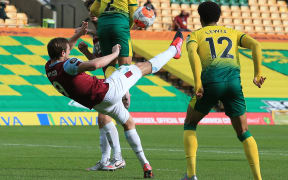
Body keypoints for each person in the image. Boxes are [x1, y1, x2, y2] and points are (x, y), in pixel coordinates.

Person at [45, 21, 184, 178]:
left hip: (99, 104)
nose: (69, 51)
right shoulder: (68, 64)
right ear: (63, 53)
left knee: (129, 123)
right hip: (108, 90)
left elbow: (65, 47)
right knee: (143, 67)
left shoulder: (49, 67)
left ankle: (145, 164)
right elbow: (95, 64)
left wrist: (78, 34)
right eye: (67, 51)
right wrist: (115, 54)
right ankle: (174, 50)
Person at [182, 2, 265, 180]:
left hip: (211, 84)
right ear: (218, 17)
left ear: (200, 18)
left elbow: (193, 55)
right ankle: (258, 178)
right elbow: (256, 45)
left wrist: (198, 83)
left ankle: (191, 175)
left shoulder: (195, 35)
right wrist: (258, 73)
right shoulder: (233, 33)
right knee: (244, 132)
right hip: (234, 85)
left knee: (190, 123)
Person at [78, 0, 126, 172]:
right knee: (102, 120)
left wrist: (125, 88)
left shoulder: (110, 32)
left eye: (95, 9)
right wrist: (85, 52)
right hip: (108, 80)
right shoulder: (97, 36)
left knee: (105, 118)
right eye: (89, 10)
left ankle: (117, 158)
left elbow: (122, 58)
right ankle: (106, 160)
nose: (92, 13)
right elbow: (99, 62)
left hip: (117, 80)